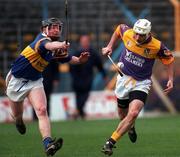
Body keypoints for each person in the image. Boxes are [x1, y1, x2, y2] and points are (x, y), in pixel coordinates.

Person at [5, 17, 89, 156]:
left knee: (42, 110)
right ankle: (19, 121)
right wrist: (61, 44)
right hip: (17, 80)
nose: (56, 29)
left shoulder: (56, 45)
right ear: (44, 29)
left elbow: (67, 59)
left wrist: (80, 60)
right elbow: (48, 46)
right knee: (17, 115)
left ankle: (48, 143)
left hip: (35, 80)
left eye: (58, 27)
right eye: (52, 27)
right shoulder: (42, 40)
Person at [101, 19, 174, 156]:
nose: (137, 37)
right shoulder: (128, 33)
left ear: (148, 33)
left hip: (142, 83)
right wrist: (109, 46)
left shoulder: (157, 46)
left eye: (141, 35)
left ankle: (110, 142)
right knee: (122, 115)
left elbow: (169, 60)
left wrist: (170, 79)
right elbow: (118, 29)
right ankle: (131, 127)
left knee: (133, 113)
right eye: (136, 34)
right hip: (123, 79)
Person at [69, 34, 107, 119]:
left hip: (88, 78)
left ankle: (78, 111)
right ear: (80, 42)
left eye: (86, 41)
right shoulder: (76, 53)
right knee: (78, 97)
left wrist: (104, 75)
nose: (85, 43)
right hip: (77, 79)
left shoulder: (93, 53)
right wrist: (73, 76)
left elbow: (99, 65)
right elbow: (71, 66)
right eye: (83, 41)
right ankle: (81, 113)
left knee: (85, 96)